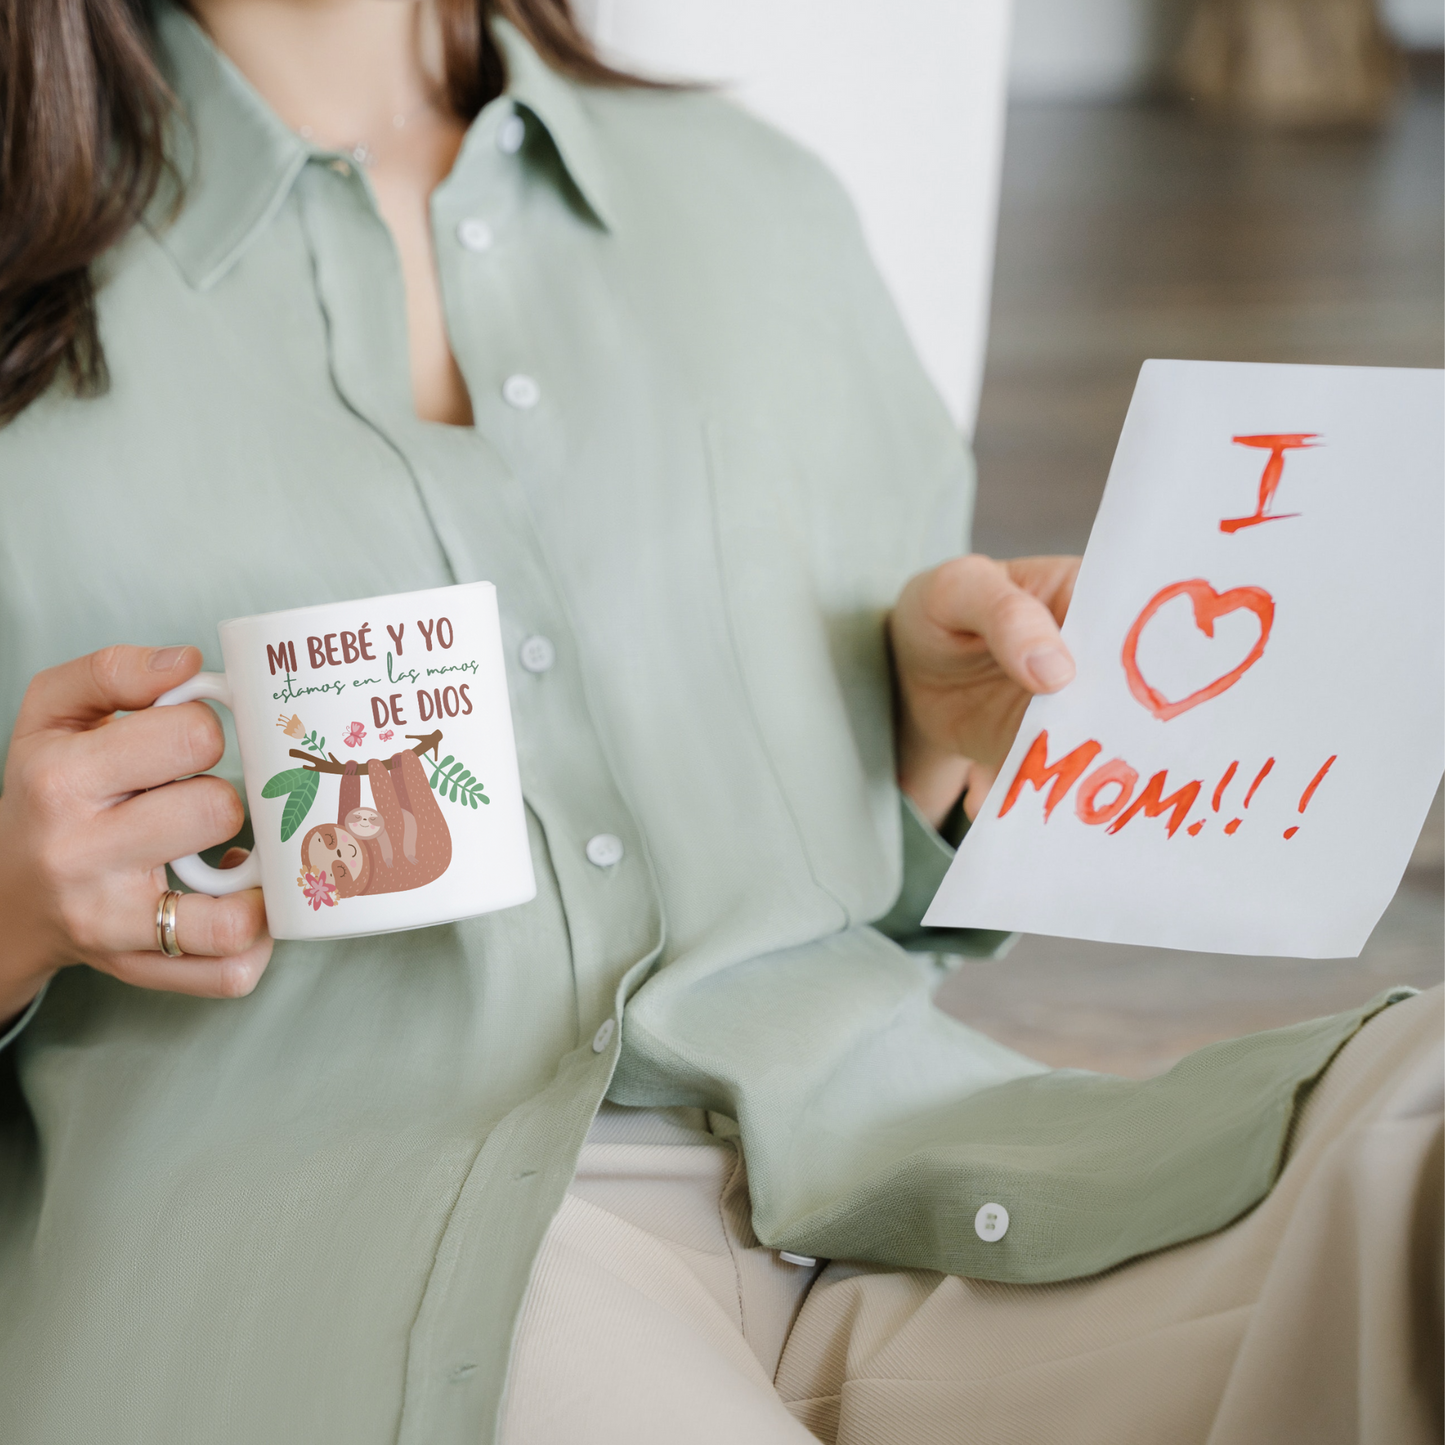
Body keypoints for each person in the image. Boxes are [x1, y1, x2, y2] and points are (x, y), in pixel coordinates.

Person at [0, 3, 1437, 1442]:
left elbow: (865, 889)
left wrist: (930, 741)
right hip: (362, 1253)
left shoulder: (753, 203)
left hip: (908, 1169)